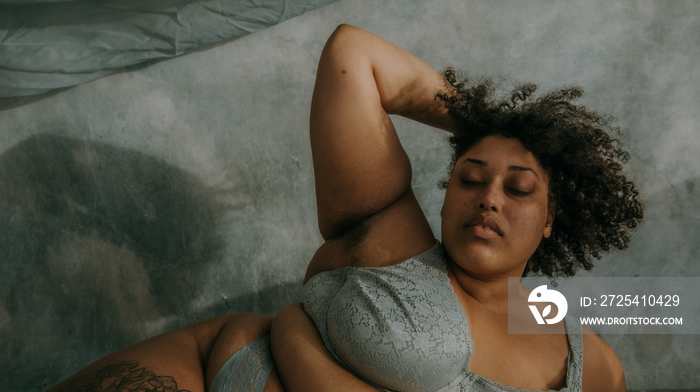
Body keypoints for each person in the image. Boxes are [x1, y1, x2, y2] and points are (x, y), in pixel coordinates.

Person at [47, 24, 643, 392]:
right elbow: (353, 53)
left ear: (552, 220)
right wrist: (493, 124)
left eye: (518, 189)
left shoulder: (588, 356)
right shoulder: (391, 236)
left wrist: (296, 337)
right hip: (208, 374)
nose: (488, 196)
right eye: (470, 176)